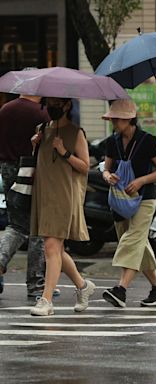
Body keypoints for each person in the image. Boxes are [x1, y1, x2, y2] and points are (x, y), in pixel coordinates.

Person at [101, 99, 156, 308]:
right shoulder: (112, 141)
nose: (114, 123)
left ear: (130, 119)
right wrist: (107, 176)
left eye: (118, 119)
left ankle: (121, 289)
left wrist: (141, 180)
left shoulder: (148, 140)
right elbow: (106, 168)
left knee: (132, 239)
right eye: (113, 119)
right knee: (138, 243)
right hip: (120, 200)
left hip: (145, 198)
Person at [29, 97, 95, 316]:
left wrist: (64, 151)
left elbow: (85, 167)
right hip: (43, 193)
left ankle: (46, 300)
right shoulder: (41, 129)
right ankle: (83, 286)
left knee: (50, 246)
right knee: (55, 247)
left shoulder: (76, 133)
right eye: (50, 102)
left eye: (58, 103)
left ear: (67, 105)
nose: (52, 107)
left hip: (64, 195)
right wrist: (35, 145)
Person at [0, 93, 57, 298]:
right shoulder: (40, 113)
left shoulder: (5, 109)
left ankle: (0, 259)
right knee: (37, 227)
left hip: (7, 169)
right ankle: (36, 284)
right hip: (32, 170)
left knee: (16, 223)